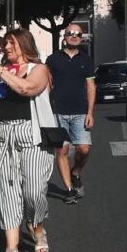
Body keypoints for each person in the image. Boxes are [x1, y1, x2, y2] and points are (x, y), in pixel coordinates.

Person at [0, 29, 54, 252]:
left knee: (34, 191)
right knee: (7, 192)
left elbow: (27, 89)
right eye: (5, 44)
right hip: (3, 136)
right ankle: (11, 247)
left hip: (30, 135)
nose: (7, 48)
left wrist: (0, 71)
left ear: (24, 45)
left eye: (11, 43)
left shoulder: (39, 70)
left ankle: (38, 227)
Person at [46, 24, 95, 203]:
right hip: (57, 112)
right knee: (62, 150)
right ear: (64, 37)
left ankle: (75, 173)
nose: (74, 36)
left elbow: (91, 86)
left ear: (81, 38)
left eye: (77, 34)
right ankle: (68, 190)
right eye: (70, 34)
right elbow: (46, 83)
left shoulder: (87, 60)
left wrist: (90, 112)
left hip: (80, 111)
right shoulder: (53, 59)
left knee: (83, 149)